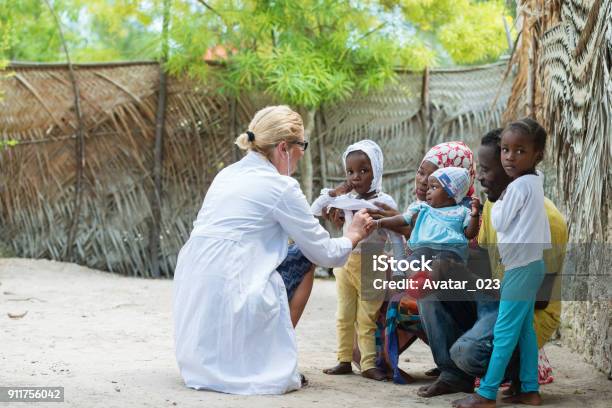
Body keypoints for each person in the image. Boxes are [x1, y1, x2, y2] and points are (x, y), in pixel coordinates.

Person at [173, 105, 374, 395]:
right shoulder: (281, 186)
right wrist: (353, 235)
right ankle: (270, 358)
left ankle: (251, 350)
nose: (301, 155)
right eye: (301, 147)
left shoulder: (227, 175)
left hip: (194, 320)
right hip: (233, 291)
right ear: (283, 147)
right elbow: (324, 253)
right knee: (305, 256)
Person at [453, 118, 552, 408]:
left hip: (521, 269)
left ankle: (486, 393)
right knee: (524, 332)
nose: (510, 157)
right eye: (506, 151)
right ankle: (530, 389)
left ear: (537, 155)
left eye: (519, 151)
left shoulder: (518, 188)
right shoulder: (534, 182)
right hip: (529, 266)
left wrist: (493, 204)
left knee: (505, 333)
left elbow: (500, 220)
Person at [313, 140, 404, 381]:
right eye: (350, 172)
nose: (356, 177)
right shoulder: (345, 200)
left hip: (371, 267)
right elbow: (314, 209)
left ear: (377, 170)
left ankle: (367, 365)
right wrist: (336, 192)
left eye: (364, 170)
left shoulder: (384, 203)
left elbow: (396, 237)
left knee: (367, 317)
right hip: (345, 264)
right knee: (343, 315)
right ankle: (344, 360)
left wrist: (400, 268)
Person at [376, 167, 480, 268]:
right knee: (409, 263)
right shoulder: (422, 207)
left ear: (450, 193)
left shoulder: (462, 211)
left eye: (433, 187)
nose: (428, 191)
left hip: (450, 251)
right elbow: (403, 219)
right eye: (429, 188)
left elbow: (470, 234)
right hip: (423, 249)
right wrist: (381, 222)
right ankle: (410, 279)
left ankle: (429, 279)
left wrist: (474, 215)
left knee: (441, 264)